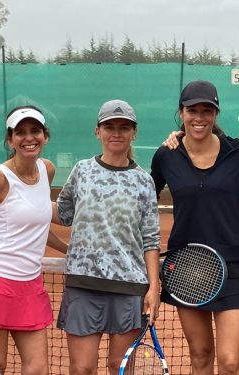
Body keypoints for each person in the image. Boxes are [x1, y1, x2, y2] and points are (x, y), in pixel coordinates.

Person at [150, 80, 239, 375]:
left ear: (216, 113)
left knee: (230, 362)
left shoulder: (238, 153)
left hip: (234, 266)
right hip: (187, 266)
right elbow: (145, 200)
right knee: (200, 354)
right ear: (181, 113)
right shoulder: (166, 156)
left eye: (207, 110)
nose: (199, 117)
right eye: (192, 110)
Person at [54, 99, 161, 375]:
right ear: (97, 131)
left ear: (133, 132)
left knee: (119, 368)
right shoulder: (82, 171)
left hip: (128, 288)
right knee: (82, 369)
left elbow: (150, 239)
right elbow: (63, 213)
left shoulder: (143, 181)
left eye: (124, 127)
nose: (116, 133)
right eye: (109, 126)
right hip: (83, 284)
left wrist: (153, 288)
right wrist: (18, 200)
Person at [0, 105, 68, 375]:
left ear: (45, 136)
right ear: (10, 140)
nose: (29, 138)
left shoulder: (47, 170)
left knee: (38, 368)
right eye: (20, 132)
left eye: (35, 131)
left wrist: (70, 250)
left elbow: (37, 226)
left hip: (31, 285)